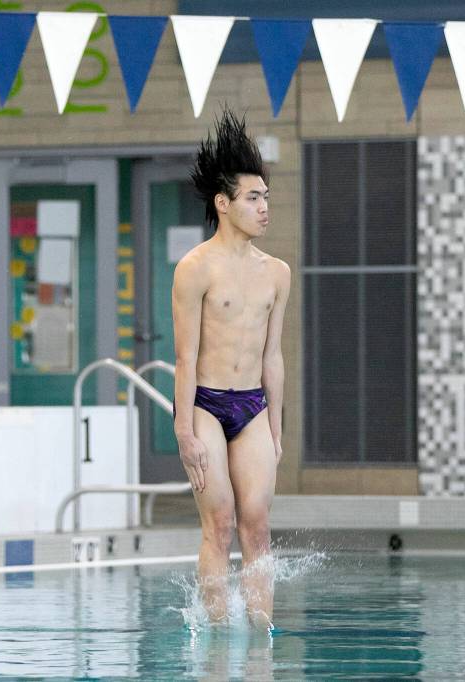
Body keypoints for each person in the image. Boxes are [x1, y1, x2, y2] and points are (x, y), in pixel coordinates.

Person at [172, 108, 290, 629]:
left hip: (253, 407)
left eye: (265, 196)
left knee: (257, 526)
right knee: (220, 525)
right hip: (205, 406)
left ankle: (261, 644)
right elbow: (183, 356)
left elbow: (273, 356)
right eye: (253, 197)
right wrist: (183, 431)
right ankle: (219, 642)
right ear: (224, 204)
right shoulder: (195, 268)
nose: (264, 207)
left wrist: (277, 429)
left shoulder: (277, 274)